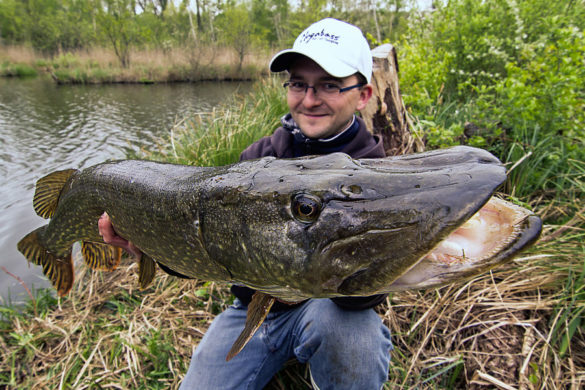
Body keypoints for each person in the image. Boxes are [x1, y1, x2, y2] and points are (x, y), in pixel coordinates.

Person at [99, 18, 392, 390]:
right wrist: (154, 250)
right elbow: (211, 254)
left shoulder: (375, 172)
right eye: (299, 83)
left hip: (331, 311)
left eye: (329, 85)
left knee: (353, 337)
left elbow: (372, 283)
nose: (309, 99)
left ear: (363, 95)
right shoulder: (259, 157)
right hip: (253, 310)